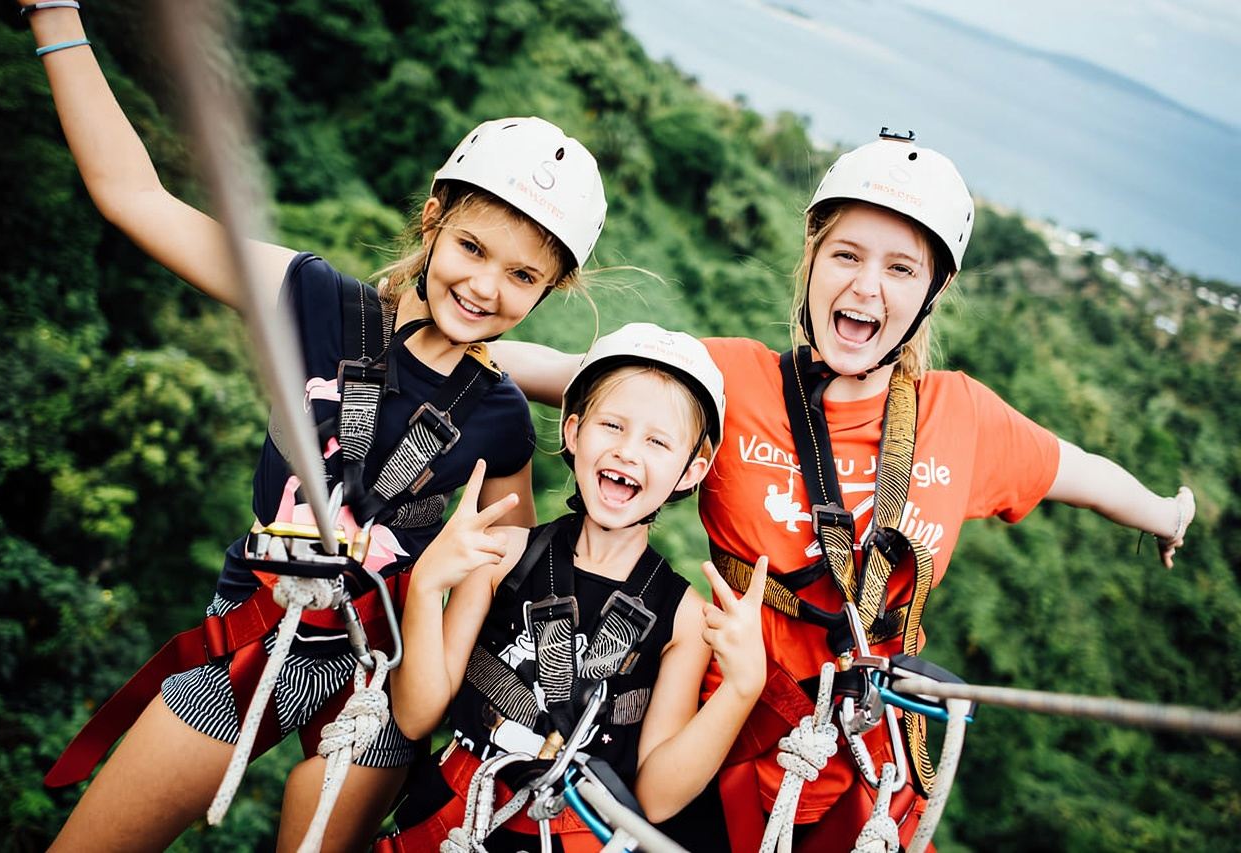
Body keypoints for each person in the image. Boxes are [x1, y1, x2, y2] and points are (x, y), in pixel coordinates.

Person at [490, 130, 1197, 850]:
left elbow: (1079, 472)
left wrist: (1168, 514)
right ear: (813, 258)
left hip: (867, 753)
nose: (867, 287)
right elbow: (575, 374)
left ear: (934, 291)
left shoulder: (961, 417)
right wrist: (430, 331)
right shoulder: (735, 380)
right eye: (848, 255)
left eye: (900, 268)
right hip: (732, 726)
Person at [23, 4, 608, 851]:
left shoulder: (500, 416)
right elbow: (133, 197)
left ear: (548, 292)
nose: (485, 286)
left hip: (380, 674)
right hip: (258, 635)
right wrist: (54, 17)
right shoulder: (316, 305)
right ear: (434, 217)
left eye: (521, 275)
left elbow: (501, 564)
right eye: (472, 247)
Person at [380, 324, 767, 851]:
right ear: (573, 432)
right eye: (612, 425)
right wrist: (427, 586)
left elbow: (655, 796)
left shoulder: (685, 619)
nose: (628, 452)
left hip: (572, 830)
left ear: (690, 471)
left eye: (657, 441)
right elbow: (415, 714)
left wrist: (742, 688)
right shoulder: (502, 555)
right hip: (451, 820)